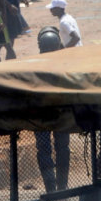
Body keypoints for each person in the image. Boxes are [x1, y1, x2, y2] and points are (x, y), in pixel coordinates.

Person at [33, 25, 71, 192]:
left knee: (43, 149)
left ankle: (50, 188)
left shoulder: (34, 66)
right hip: (61, 114)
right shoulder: (64, 65)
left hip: (41, 115)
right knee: (62, 148)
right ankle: (62, 186)